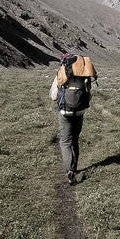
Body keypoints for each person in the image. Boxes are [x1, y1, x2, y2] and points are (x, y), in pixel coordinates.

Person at [50, 54, 92, 184]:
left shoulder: (62, 73)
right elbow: (89, 95)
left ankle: (69, 170)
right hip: (79, 112)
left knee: (65, 141)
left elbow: (53, 96)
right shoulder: (84, 75)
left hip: (64, 112)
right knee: (75, 140)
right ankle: (74, 168)